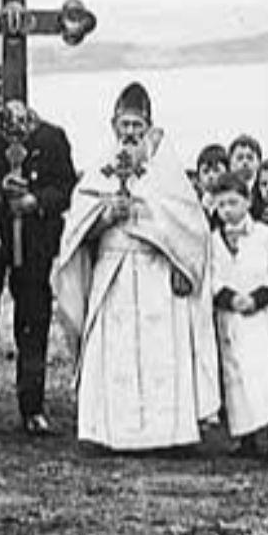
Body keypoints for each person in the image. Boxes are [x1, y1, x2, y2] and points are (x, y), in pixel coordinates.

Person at [54, 82, 219, 451]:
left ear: (149, 126)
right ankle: (107, 432)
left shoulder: (167, 172)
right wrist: (106, 213)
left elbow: (191, 225)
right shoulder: (100, 170)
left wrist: (183, 264)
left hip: (156, 271)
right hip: (113, 270)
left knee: (161, 353)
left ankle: (167, 434)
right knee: (113, 354)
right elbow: (77, 227)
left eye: (137, 125)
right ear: (113, 125)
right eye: (124, 124)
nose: (130, 132)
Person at [0, 64, 78, 436]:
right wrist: (1, 188)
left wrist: (35, 200)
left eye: (4, 91)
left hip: (34, 245)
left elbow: (65, 187)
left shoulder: (50, 137)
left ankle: (32, 406)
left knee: (33, 322)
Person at [209, 174, 268, 458]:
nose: (228, 209)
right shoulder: (212, 241)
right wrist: (228, 298)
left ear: (248, 202)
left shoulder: (267, 236)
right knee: (238, 375)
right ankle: (245, 438)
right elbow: (209, 276)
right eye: (221, 204)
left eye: (234, 202)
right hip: (233, 317)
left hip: (263, 316)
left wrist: (258, 298)